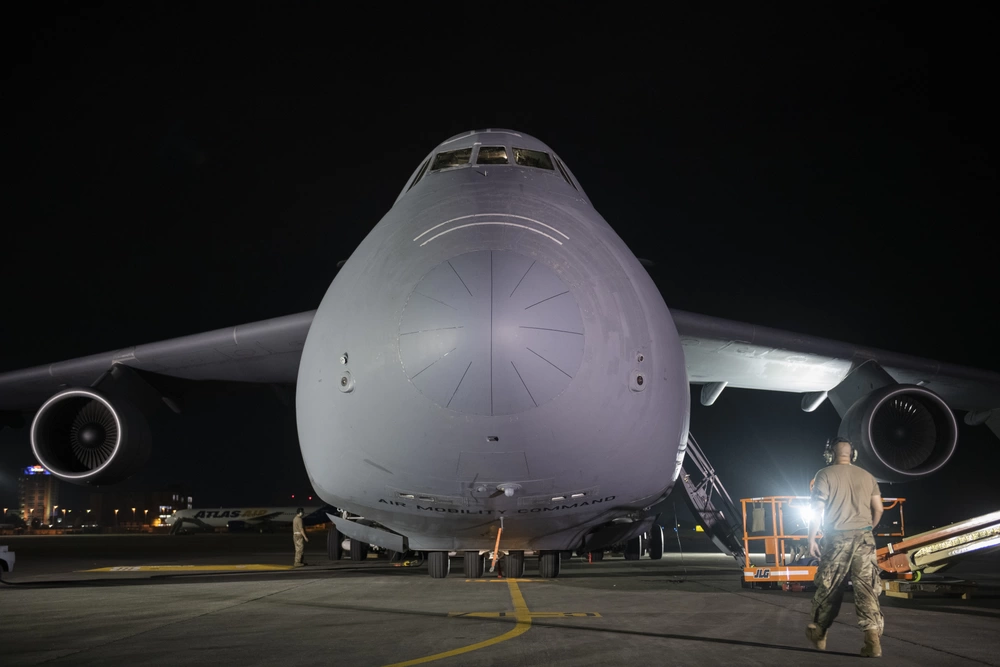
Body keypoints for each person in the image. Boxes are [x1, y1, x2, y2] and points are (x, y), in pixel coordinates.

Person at [805, 437, 885, 657]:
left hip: (837, 538)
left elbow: (816, 510)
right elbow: (879, 509)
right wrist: (867, 528)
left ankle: (819, 633)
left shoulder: (824, 474)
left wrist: (811, 538)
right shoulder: (868, 477)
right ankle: (872, 642)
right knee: (866, 589)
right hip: (865, 539)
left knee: (830, 587)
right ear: (853, 455)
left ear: (830, 455)